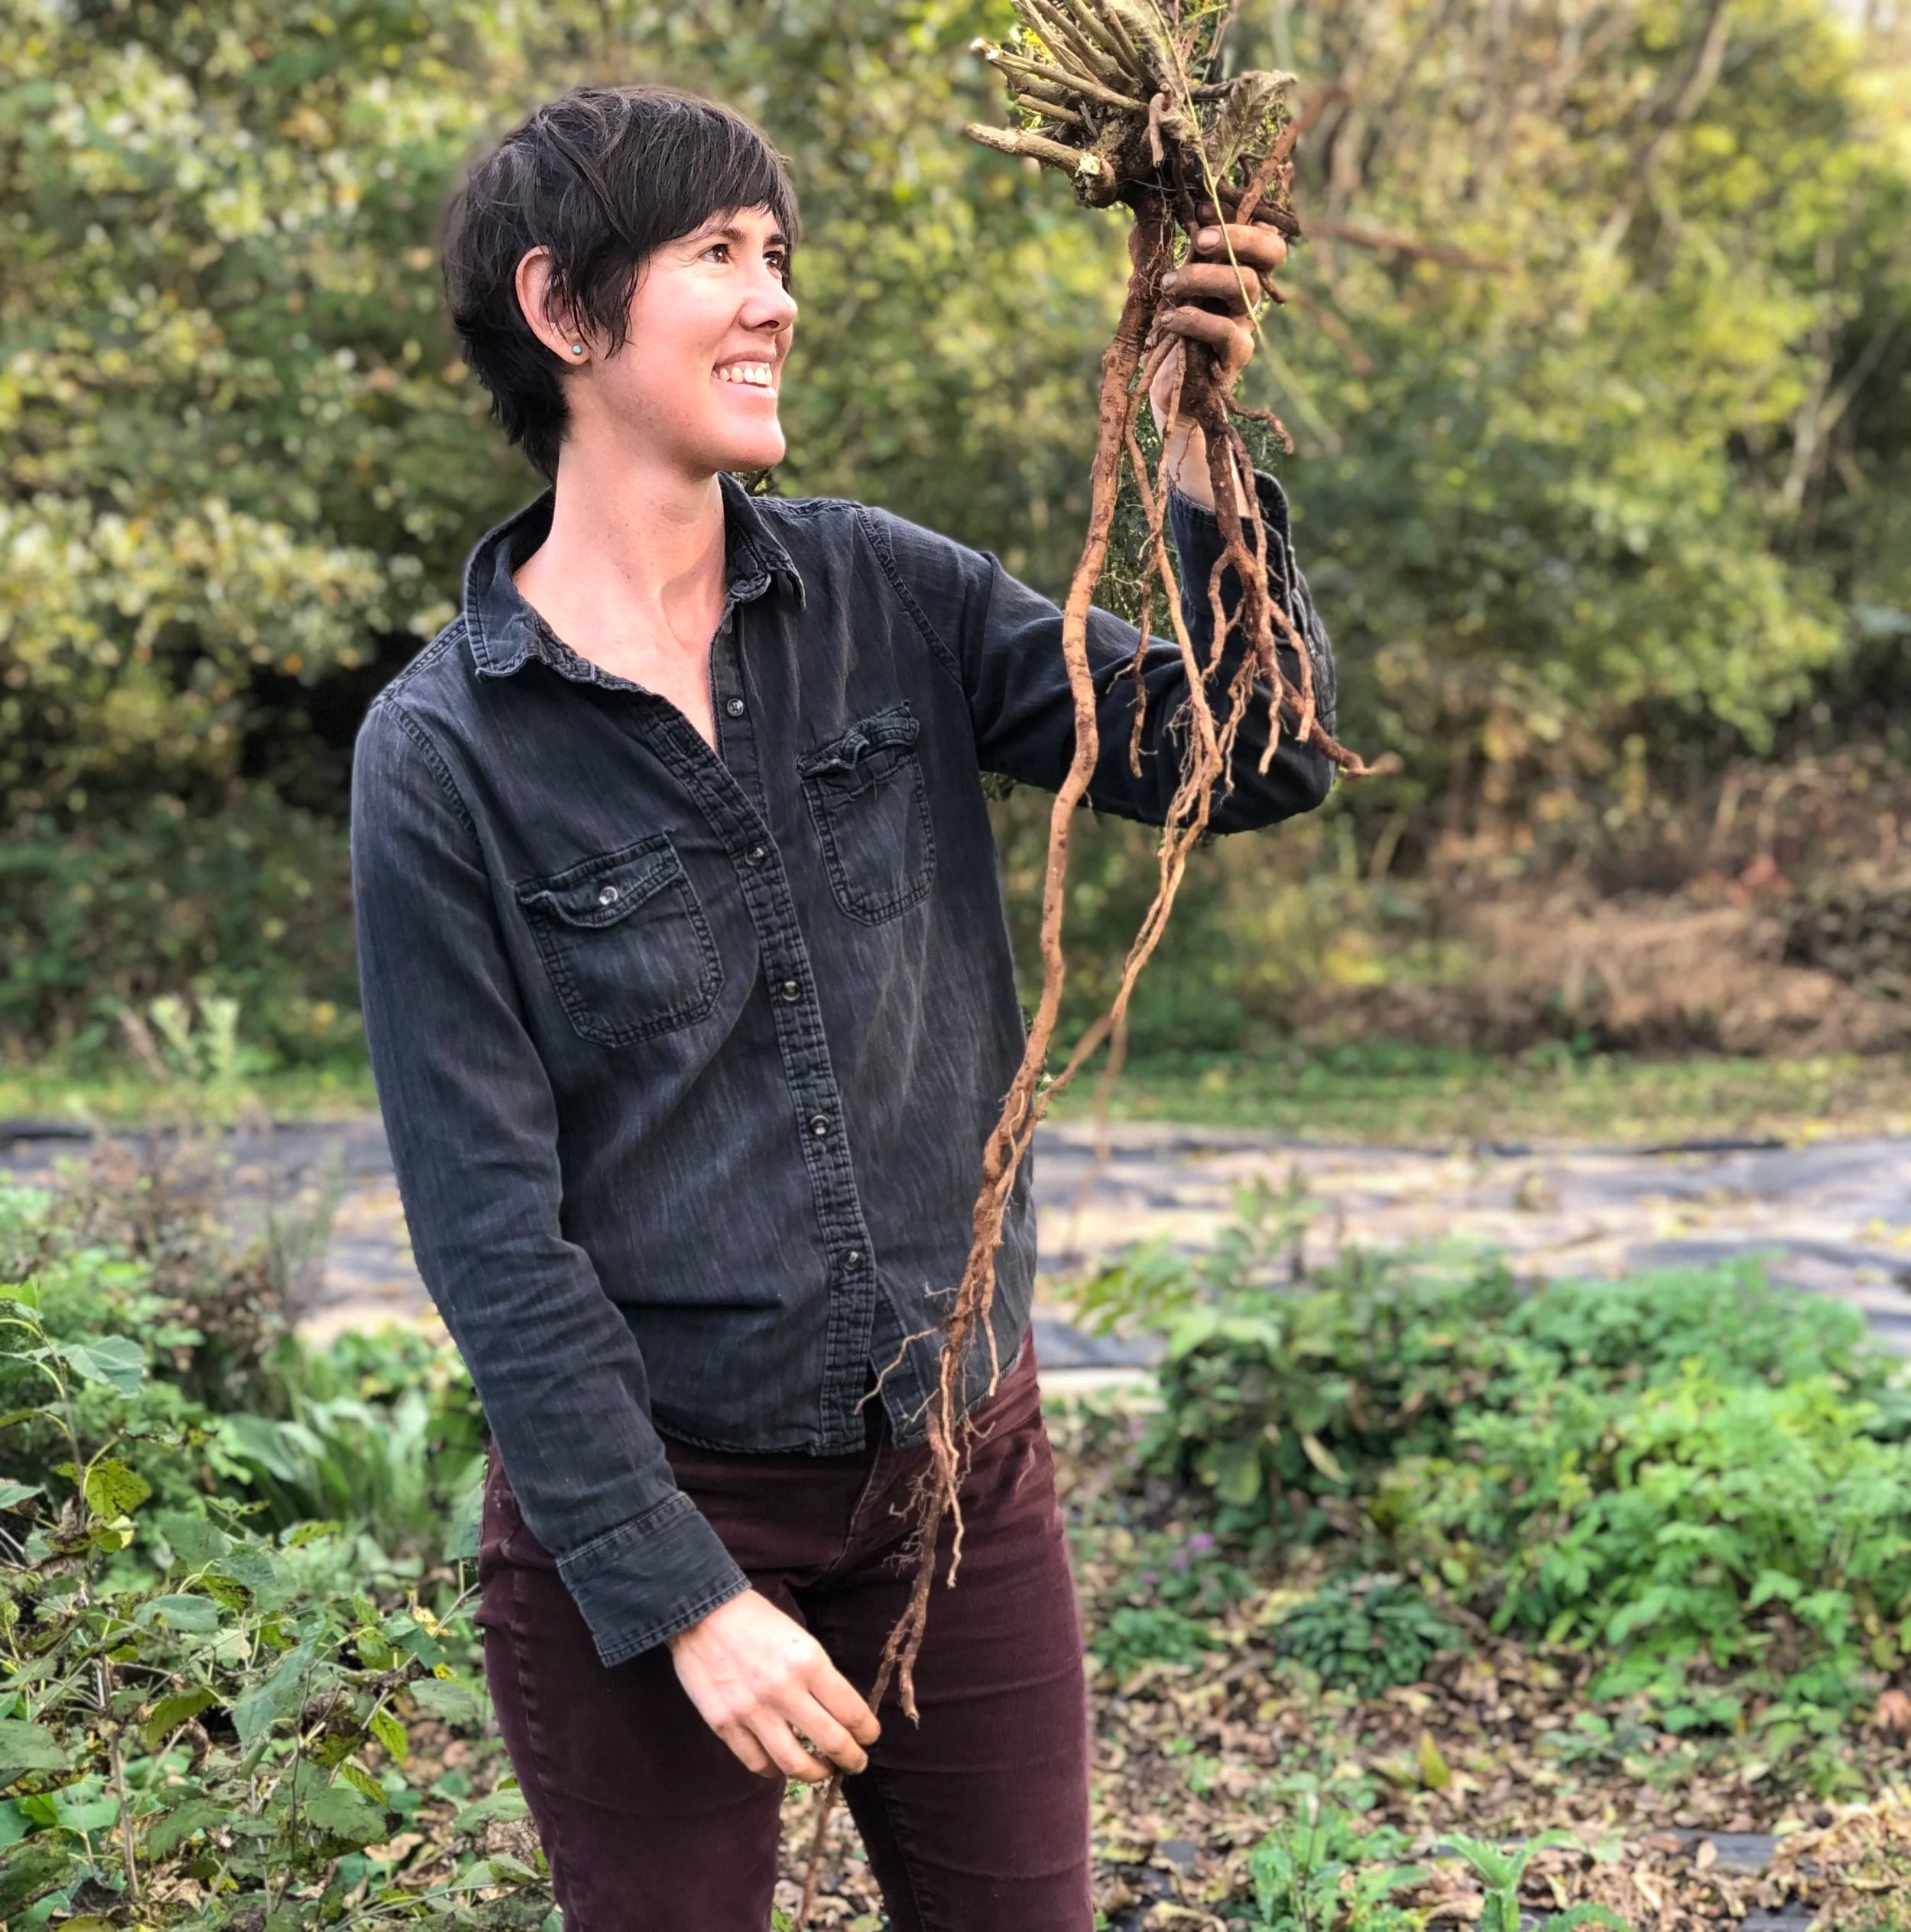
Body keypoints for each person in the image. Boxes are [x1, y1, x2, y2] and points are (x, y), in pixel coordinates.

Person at [350, 80, 1338, 1932]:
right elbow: (492, 1237)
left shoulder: (888, 596)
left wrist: (1201, 463)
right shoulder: (443, 756)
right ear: (564, 309)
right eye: (718, 255)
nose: (774, 298)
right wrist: (679, 1591)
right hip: (652, 1518)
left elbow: (1251, 757)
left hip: (962, 1493)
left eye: (778, 255)